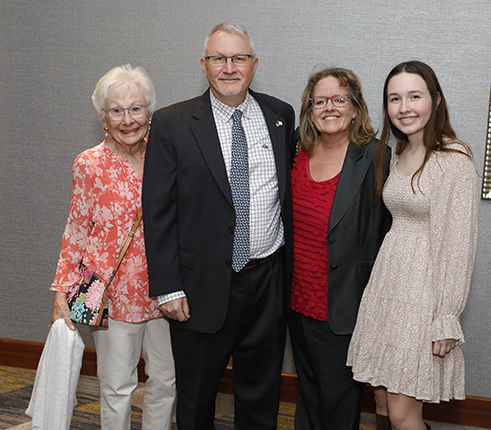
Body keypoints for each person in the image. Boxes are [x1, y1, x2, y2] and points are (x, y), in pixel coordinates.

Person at [142, 21, 295, 430]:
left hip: (267, 280)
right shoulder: (172, 123)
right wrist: (168, 286)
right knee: (196, 396)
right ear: (204, 65)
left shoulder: (280, 116)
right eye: (219, 58)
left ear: (254, 64)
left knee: (262, 392)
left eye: (239, 58)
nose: (229, 67)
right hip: (200, 285)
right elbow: (157, 213)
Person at [346, 60, 480, 430]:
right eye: (394, 99)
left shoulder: (453, 160)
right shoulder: (397, 152)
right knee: (382, 398)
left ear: (436, 100)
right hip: (389, 285)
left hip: (423, 295)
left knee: (405, 411)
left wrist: (446, 316)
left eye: (414, 96)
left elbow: (458, 245)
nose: (404, 108)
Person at [50, 64, 175, 430]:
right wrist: (61, 291)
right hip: (112, 293)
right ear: (103, 117)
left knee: (166, 381)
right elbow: (76, 229)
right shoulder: (89, 163)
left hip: (165, 289)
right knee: (118, 387)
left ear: (149, 111)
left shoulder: (166, 156)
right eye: (116, 110)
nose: (127, 119)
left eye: (135, 108)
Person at [289, 67, 392, 430]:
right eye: (320, 101)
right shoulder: (295, 152)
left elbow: (389, 234)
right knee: (310, 392)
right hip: (296, 301)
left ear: (354, 108)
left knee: (338, 402)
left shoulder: (378, 158)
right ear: (310, 110)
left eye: (339, 99)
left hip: (345, 304)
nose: (329, 108)